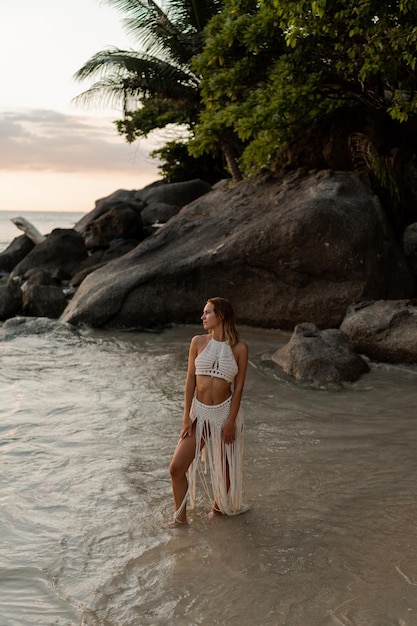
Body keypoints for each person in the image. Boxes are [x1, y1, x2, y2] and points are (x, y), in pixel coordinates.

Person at [168, 296, 250, 525]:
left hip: (226, 413)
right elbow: (189, 381)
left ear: (221, 316)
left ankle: (217, 511)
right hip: (200, 414)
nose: (202, 317)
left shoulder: (240, 349)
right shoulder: (197, 342)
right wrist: (186, 417)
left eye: (207, 312)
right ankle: (179, 521)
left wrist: (231, 421)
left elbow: (239, 388)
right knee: (176, 468)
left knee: (226, 472)